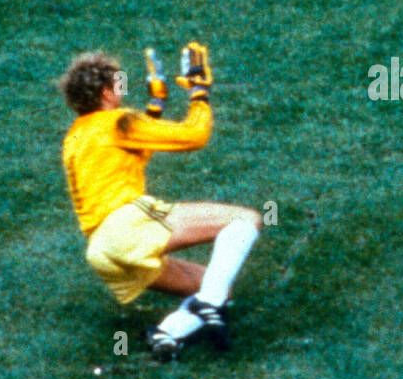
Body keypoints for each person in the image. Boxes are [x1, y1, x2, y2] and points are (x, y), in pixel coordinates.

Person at [58, 43, 261, 360]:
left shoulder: (75, 137)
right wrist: (199, 92)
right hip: (128, 225)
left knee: (216, 287)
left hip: (102, 250)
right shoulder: (118, 122)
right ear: (106, 94)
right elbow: (195, 136)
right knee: (246, 220)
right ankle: (208, 305)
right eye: (118, 82)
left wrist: (156, 103)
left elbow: (135, 155)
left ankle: (169, 333)